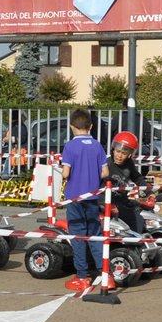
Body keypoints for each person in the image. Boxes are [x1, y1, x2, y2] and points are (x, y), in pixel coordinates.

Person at [58, 108, 109, 292]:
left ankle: (82, 276)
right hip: (93, 196)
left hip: (75, 197)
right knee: (95, 234)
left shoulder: (70, 147)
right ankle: (105, 274)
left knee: (78, 236)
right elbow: (105, 172)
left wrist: (62, 175)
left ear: (72, 126)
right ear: (91, 126)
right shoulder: (97, 145)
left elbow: (66, 172)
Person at [105, 130, 150, 235]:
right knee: (135, 218)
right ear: (113, 149)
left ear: (130, 154)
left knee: (143, 210)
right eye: (117, 151)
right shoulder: (107, 165)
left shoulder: (129, 164)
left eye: (124, 153)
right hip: (109, 203)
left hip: (122, 200)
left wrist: (149, 192)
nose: (119, 156)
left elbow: (138, 178)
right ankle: (135, 243)